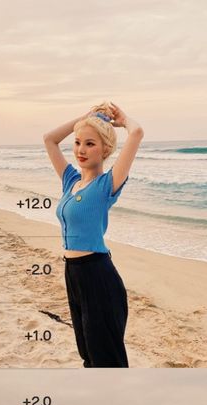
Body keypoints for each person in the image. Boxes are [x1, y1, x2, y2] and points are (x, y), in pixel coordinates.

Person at [43, 102, 143, 367]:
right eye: (78, 143)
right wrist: (85, 118)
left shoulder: (106, 185)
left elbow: (137, 133)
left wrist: (123, 120)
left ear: (106, 149)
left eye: (90, 144)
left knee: (107, 359)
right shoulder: (70, 181)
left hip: (98, 276)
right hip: (73, 274)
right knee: (88, 353)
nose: (81, 150)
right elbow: (49, 139)